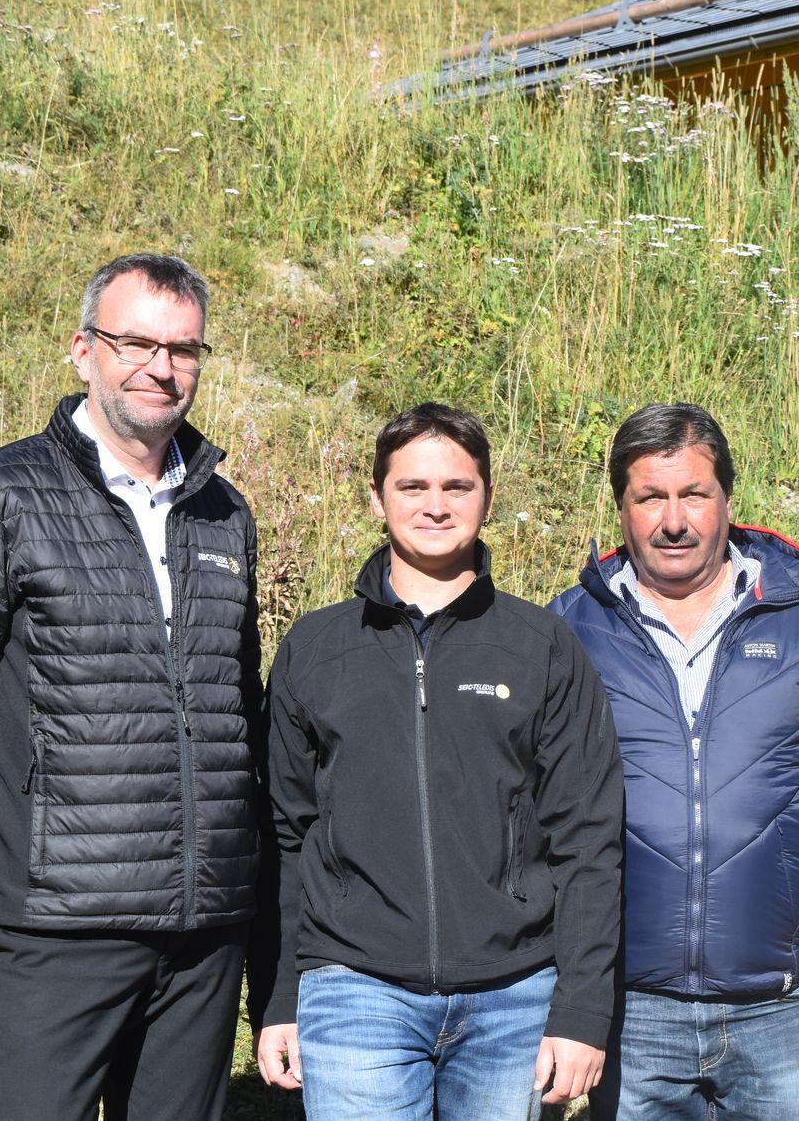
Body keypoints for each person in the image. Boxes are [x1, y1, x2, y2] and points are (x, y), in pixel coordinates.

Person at [0, 253, 264, 1120]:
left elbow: (240, 716)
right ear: (83, 350)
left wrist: (249, 910)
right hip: (56, 927)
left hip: (202, 936)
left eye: (184, 348)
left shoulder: (222, 514)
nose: (160, 367)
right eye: (136, 342)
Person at [253, 402, 624, 1119]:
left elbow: (590, 839)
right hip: (354, 988)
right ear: (376, 496)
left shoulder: (541, 646)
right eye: (412, 487)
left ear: (487, 495)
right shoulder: (316, 649)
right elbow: (285, 836)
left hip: (514, 996)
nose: (435, 505)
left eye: (457, 486)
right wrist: (280, 997)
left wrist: (580, 1008)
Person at [550, 403, 799, 1120]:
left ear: (728, 501)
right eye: (650, 497)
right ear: (621, 507)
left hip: (772, 1009)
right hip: (629, 1010)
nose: (673, 520)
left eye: (693, 495)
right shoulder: (570, 630)